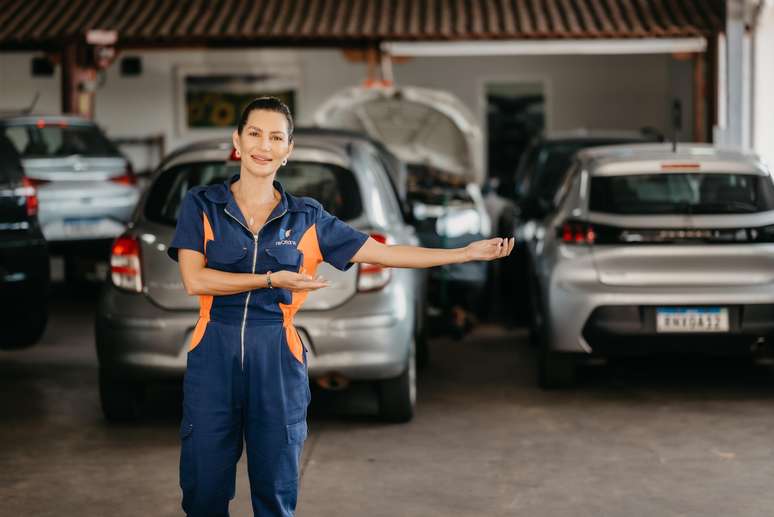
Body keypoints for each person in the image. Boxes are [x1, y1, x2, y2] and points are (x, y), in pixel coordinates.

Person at [167, 97, 514, 517]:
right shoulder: (203, 205)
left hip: (277, 356)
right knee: (203, 489)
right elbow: (195, 279)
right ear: (237, 140)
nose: (264, 145)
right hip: (213, 356)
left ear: (288, 149)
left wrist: (462, 254)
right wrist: (271, 279)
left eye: (276, 137)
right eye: (255, 133)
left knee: (275, 492)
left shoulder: (307, 219)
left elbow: (384, 253)